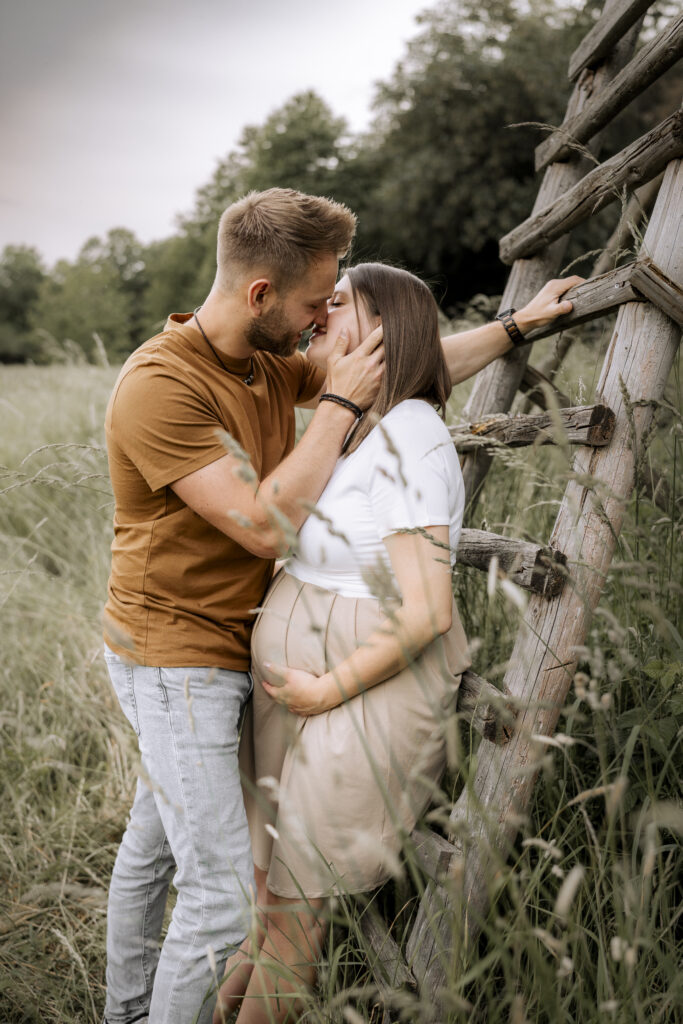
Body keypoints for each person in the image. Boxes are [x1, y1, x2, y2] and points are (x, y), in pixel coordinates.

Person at [103, 184, 579, 1024]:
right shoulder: (161, 384)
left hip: (232, 656)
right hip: (177, 655)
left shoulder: (264, 358)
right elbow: (262, 526)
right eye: (315, 302)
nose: (321, 317)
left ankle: (130, 1010)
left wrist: (513, 327)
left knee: (158, 850)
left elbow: (410, 359)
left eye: (335, 304)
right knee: (215, 890)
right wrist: (336, 407)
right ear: (261, 295)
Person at [215, 262, 582, 1024]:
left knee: (293, 917)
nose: (319, 313)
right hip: (300, 686)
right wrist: (513, 326)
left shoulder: (410, 438)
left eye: (338, 302)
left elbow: (426, 612)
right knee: (265, 900)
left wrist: (325, 689)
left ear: (382, 333)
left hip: (352, 690)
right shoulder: (355, 419)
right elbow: (425, 357)